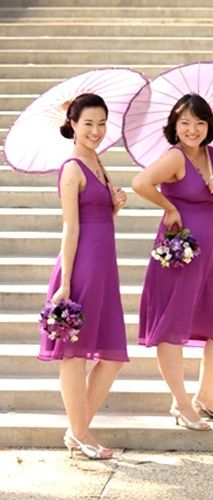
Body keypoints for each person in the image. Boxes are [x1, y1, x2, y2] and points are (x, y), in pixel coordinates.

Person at [132, 93, 213, 431]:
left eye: (199, 122)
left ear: (208, 125)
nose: (192, 129)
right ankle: (181, 402)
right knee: (173, 321)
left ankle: (204, 394)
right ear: (175, 125)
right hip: (181, 251)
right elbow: (140, 182)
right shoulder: (174, 157)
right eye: (184, 123)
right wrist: (169, 208)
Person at [38, 93, 129, 459]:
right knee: (74, 355)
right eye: (88, 123)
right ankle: (81, 433)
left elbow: (99, 220)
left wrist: (114, 207)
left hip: (105, 266)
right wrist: (65, 282)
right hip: (82, 268)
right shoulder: (72, 167)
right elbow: (71, 227)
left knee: (113, 356)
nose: (96, 130)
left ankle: (78, 429)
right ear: (73, 124)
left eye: (102, 123)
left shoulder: (97, 161)